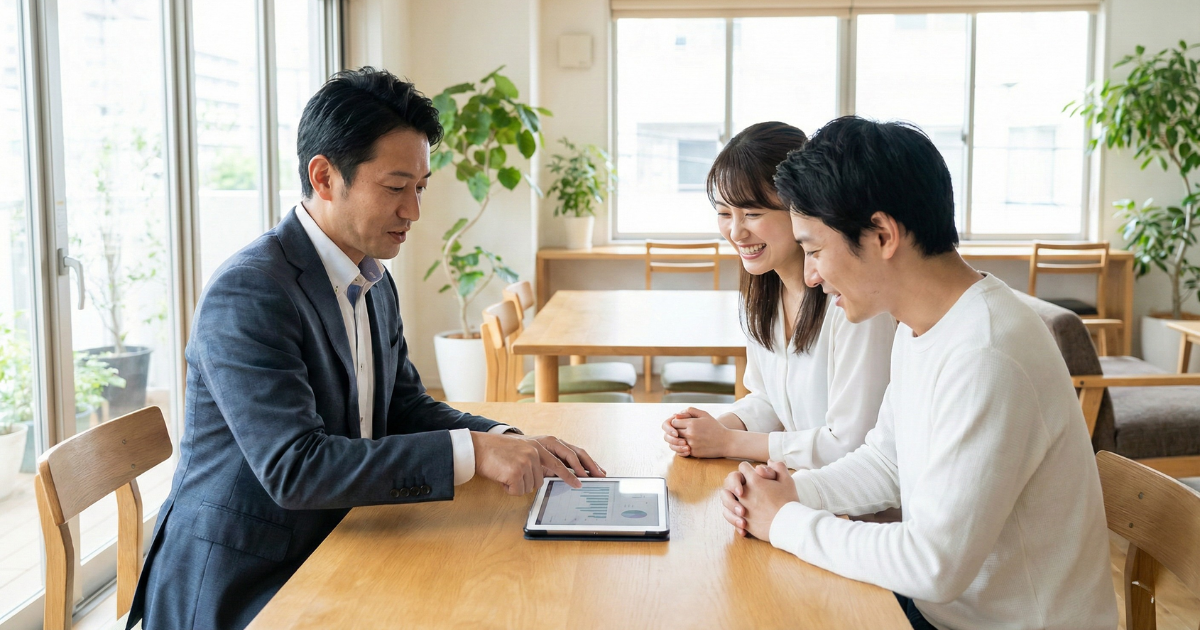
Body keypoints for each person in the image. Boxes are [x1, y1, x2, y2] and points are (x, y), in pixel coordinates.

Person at [127, 67, 604, 630]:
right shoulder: (251, 291)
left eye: (421, 188)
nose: (414, 212)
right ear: (325, 177)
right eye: (396, 188)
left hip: (343, 537)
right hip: (246, 580)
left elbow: (404, 406)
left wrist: (506, 440)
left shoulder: (372, 279)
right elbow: (294, 468)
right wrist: (472, 454)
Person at [721, 116, 1116, 630]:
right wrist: (795, 492)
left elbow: (933, 565)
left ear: (882, 234)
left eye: (816, 250)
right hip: (937, 611)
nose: (812, 275)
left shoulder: (986, 353)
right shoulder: (920, 326)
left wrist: (786, 521)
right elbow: (886, 462)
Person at [660, 121, 894, 470]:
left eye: (752, 213)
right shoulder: (762, 292)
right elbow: (769, 400)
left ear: (801, 208)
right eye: (724, 213)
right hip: (802, 487)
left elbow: (850, 444)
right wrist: (714, 428)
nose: (736, 231)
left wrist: (729, 441)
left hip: (858, 509)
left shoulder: (854, 303)